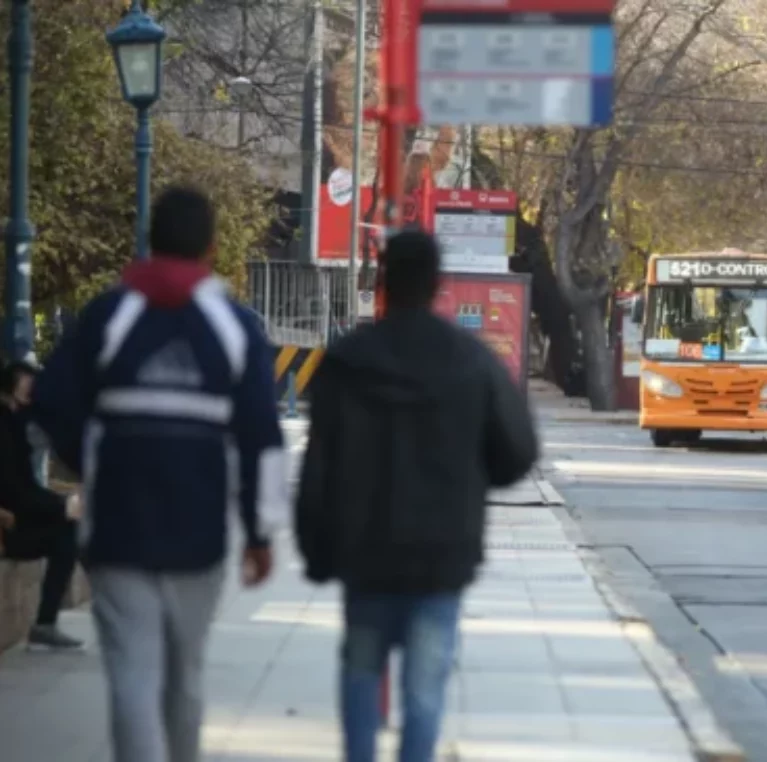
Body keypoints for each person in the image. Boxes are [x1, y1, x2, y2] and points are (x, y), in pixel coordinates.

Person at [31, 185, 287, 762]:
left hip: (118, 527)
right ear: (213, 248)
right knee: (184, 677)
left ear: (151, 241)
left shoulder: (110, 314)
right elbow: (260, 438)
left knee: (131, 678)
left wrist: (91, 454)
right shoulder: (232, 325)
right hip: (199, 535)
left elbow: (48, 399)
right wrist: (261, 532)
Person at [295, 229, 539, 762]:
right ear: (436, 286)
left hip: (364, 556)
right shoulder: (471, 360)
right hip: (440, 556)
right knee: (424, 692)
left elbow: (319, 465)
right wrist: (472, 479)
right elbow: (518, 450)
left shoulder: (348, 360)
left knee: (361, 674)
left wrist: (315, 551)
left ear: (384, 281)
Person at [0, 360, 84, 649]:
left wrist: (63, 505)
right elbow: (13, 489)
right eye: (25, 389)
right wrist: (62, 506)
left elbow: (23, 486)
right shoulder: (5, 427)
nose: (30, 395)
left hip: (16, 518)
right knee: (68, 532)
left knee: (70, 532)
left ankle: (45, 626)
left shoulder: (15, 423)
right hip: (6, 526)